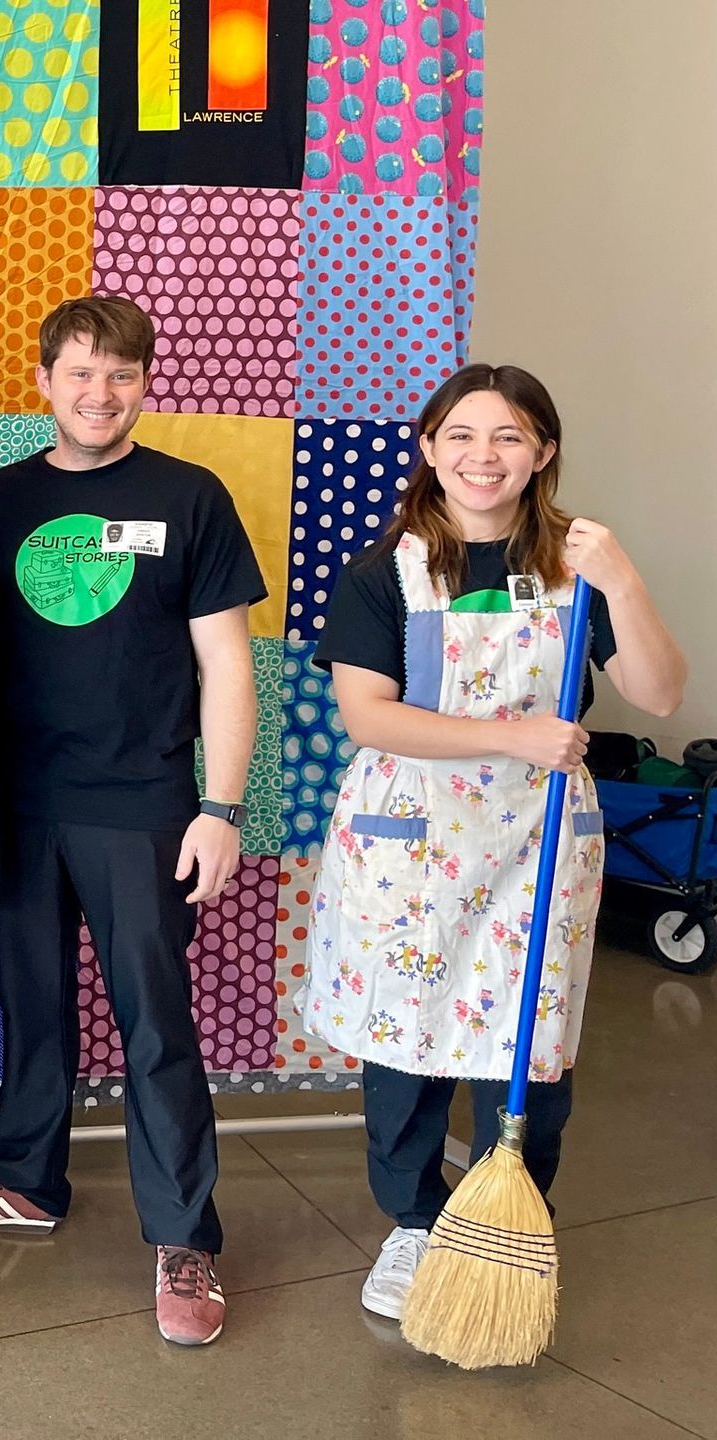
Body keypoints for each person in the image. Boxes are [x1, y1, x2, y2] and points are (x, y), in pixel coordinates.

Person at [0, 296, 267, 1348]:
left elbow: (226, 665)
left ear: (144, 383)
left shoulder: (189, 496)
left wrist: (221, 805)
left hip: (141, 805)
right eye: (79, 374)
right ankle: (27, 1179)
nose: (99, 395)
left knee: (155, 1023)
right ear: (44, 381)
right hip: (18, 801)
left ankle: (184, 1233)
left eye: (120, 375)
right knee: (33, 1007)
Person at [297, 364, 685, 1321]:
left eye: (509, 437)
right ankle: (415, 1224)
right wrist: (514, 737)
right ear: (429, 447)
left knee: (534, 1038)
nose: (483, 457)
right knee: (411, 1038)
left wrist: (623, 580)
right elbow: (369, 717)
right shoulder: (380, 573)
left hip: (538, 836)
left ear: (543, 452)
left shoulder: (575, 570)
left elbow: (662, 692)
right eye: (461, 435)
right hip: (415, 839)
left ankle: (514, 1213)